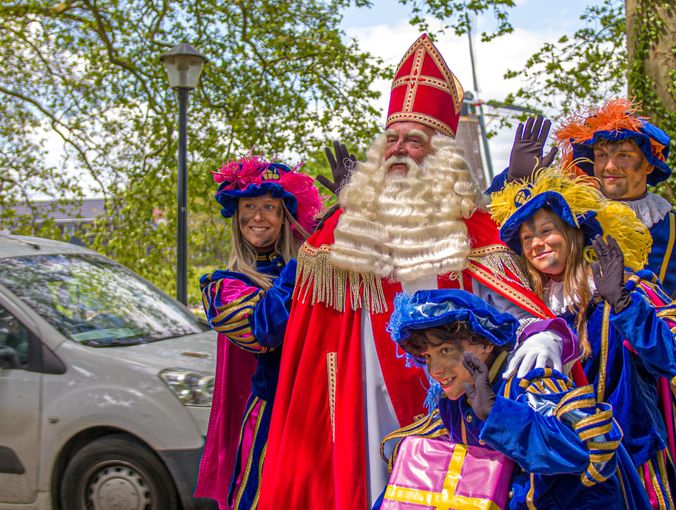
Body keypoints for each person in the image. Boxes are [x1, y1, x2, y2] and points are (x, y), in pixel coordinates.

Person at [257, 34, 581, 510]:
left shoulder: (471, 226)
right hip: (360, 407)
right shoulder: (344, 230)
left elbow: (513, 306)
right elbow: (299, 325)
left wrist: (542, 335)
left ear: (442, 154)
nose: (399, 150)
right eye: (392, 138)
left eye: (414, 139)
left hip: (454, 403)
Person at [490, 169, 676, 510]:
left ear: (573, 233)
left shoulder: (625, 287)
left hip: (632, 459)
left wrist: (623, 303)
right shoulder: (529, 310)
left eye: (547, 231)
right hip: (567, 466)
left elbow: (673, 360)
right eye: (527, 239)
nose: (537, 244)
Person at [377, 289, 651, 509]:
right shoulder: (457, 401)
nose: (435, 369)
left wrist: (499, 413)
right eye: (427, 357)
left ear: (485, 343)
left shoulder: (529, 381)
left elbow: (586, 447)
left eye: (446, 350)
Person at [194, 155, 322, 509]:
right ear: (237, 216)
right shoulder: (222, 286)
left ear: (285, 218)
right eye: (250, 206)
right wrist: (310, 257)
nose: (258, 216)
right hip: (275, 422)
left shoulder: (317, 266)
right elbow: (263, 330)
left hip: (325, 412)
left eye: (270, 207)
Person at [554, 98, 676, 305]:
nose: (610, 166)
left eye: (623, 155)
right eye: (602, 155)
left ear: (649, 165)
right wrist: (518, 181)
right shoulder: (572, 220)